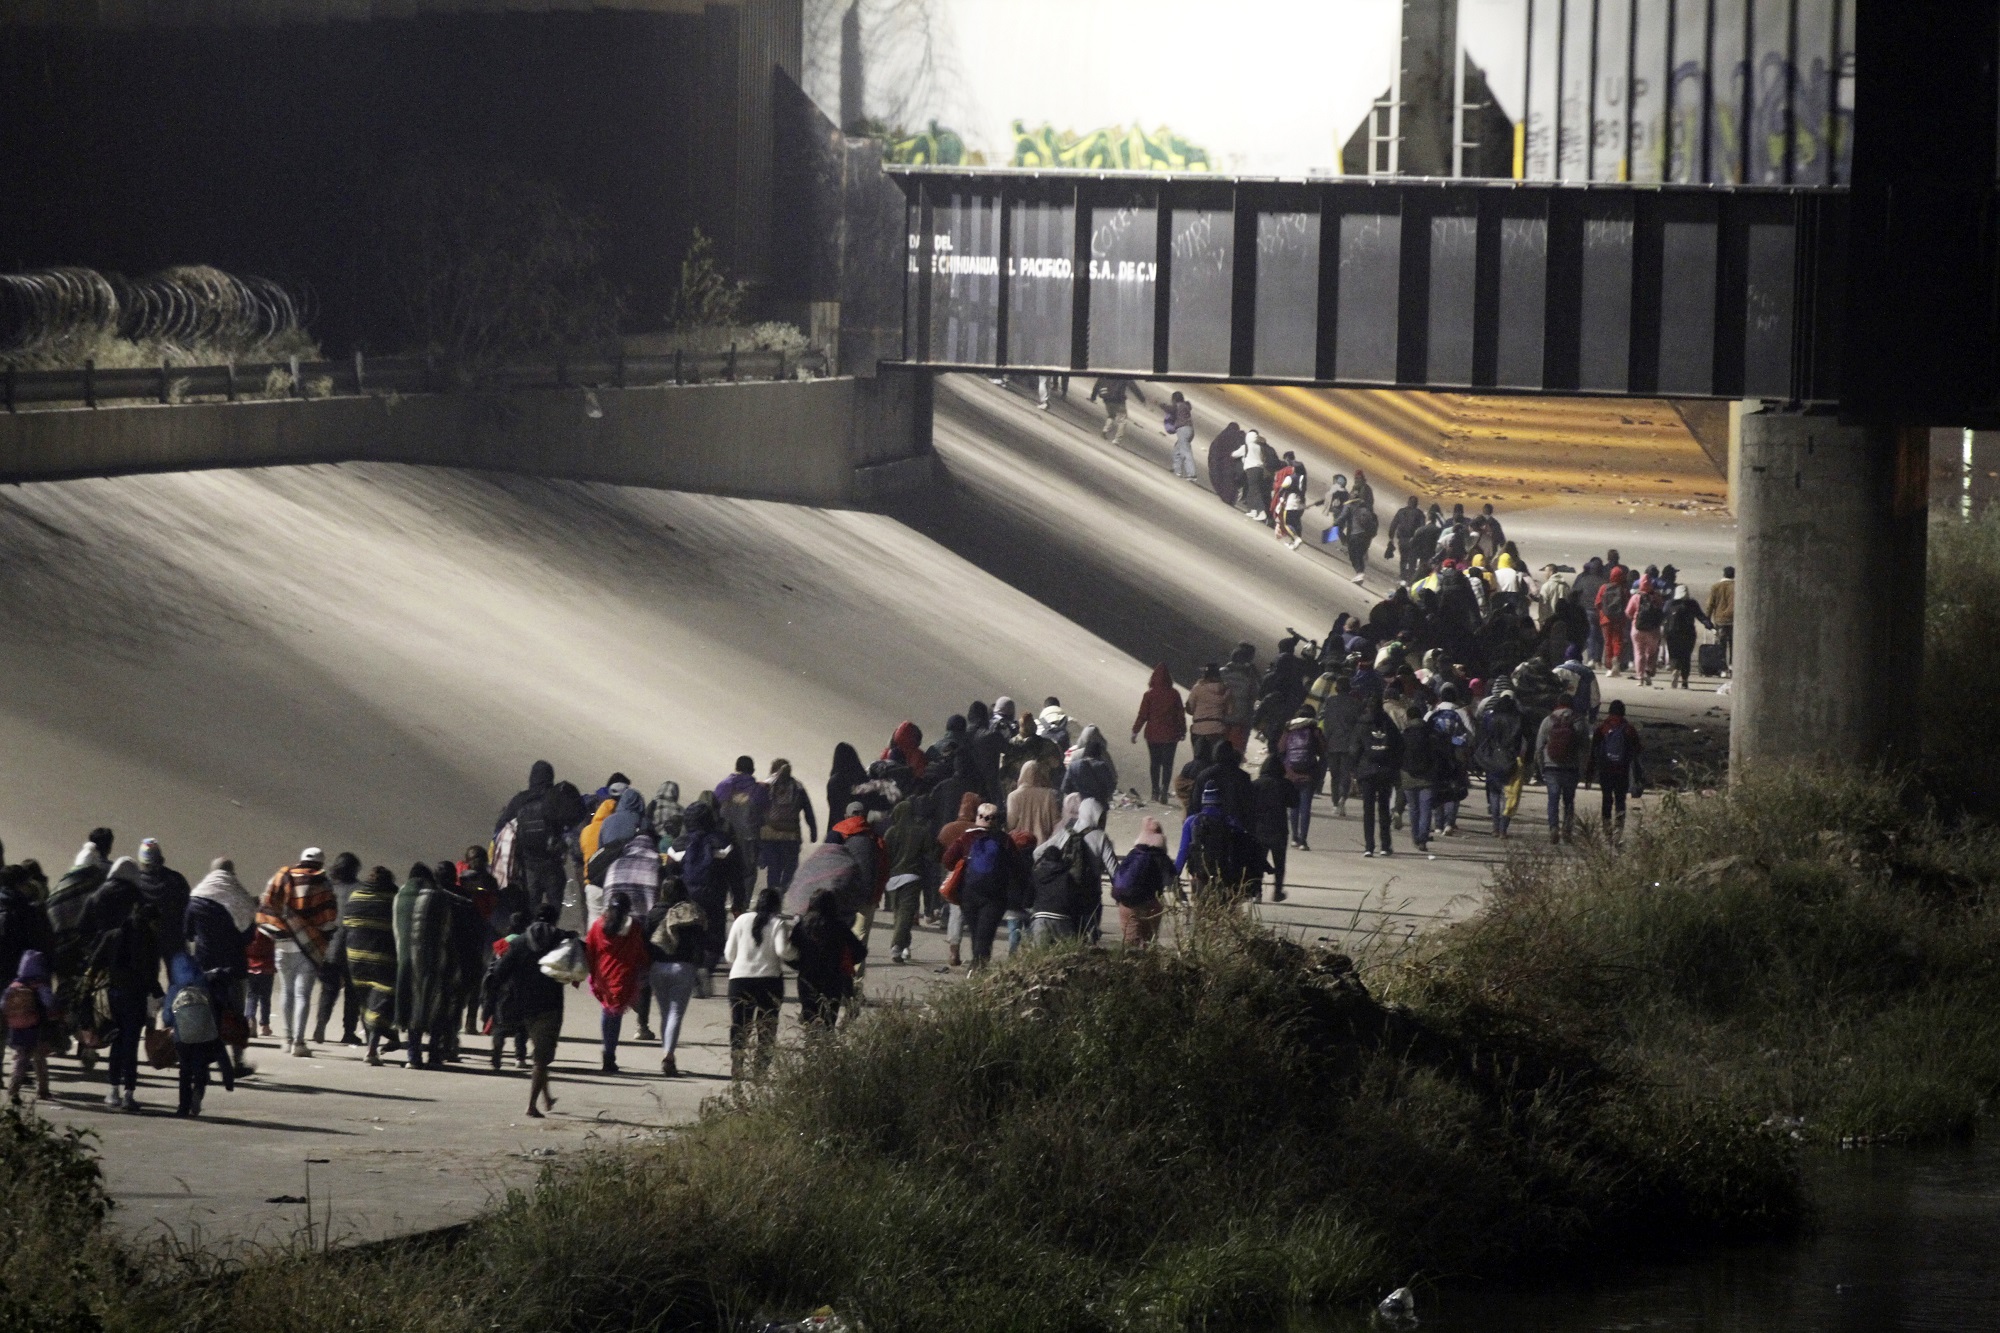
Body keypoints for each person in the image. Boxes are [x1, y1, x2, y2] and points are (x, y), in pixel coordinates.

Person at [490, 904, 576, 1116]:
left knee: (540, 1050)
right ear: (554, 919)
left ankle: (547, 1098)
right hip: (550, 1005)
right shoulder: (563, 940)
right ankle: (531, 1106)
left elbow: (500, 972)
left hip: (524, 1005)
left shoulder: (519, 942)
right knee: (541, 1058)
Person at [257, 848, 336, 1059]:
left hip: (282, 943)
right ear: (320, 863)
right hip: (308, 947)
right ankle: (299, 1042)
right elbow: (329, 917)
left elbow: (267, 906)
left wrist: (280, 928)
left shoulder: (282, 876)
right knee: (302, 994)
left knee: (286, 991)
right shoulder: (322, 883)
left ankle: (287, 1038)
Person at [87, 882, 159, 1111]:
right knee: (130, 1046)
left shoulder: (114, 935)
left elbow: (94, 962)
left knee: (117, 1044)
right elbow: (149, 974)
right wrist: (159, 996)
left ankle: (113, 1091)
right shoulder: (147, 941)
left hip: (113, 997)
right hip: (135, 1000)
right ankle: (128, 1093)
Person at [942, 804, 1024, 970]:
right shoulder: (1005, 839)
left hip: (969, 892)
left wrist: (964, 864)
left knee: (975, 930)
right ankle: (980, 964)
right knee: (986, 933)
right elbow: (1017, 867)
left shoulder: (966, 838)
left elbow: (947, 860)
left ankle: (976, 962)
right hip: (995, 895)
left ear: (978, 817)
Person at [723, 887, 790, 1079]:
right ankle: (760, 1070)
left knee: (740, 1026)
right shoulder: (778, 923)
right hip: (769, 983)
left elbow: (729, 955)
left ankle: (737, 1065)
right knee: (767, 1028)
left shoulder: (741, 920)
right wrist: (796, 955)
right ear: (776, 905)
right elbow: (783, 951)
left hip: (739, 981)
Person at [496, 761, 577, 914]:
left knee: (531, 907)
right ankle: (549, 932)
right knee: (554, 907)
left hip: (528, 864)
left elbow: (502, 827)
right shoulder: (556, 798)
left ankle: (533, 932)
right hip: (552, 863)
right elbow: (571, 823)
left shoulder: (520, 799)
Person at [1029, 796, 1114, 943]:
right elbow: (1113, 870)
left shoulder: (1065, 833)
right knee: (1088, 940)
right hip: (1091, 897)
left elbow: (1037, 852)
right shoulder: (1101, 837)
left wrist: (1050, 871)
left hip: (1068, 894)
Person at [584, 890, 650, 1074]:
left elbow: (590, 951)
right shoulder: (634, 928)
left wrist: (592, 973)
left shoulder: (598, 926)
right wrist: (646, 965)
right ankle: (609, 1053)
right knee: (615, 1016)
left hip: (603, 978)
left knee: (607, 1011)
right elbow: (640, 952)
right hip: (624, 978)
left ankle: (608, 1052)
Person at [668, 802, 736, 977]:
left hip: (686, 900)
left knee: (690, 935)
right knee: (715, 937)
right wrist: (738, 900)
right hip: (714, 897)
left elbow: (670, 875)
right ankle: (707, 968)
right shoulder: (723, 843)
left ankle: (693, 968)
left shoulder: (677, 845)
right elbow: (736, 875)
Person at [342, 866, 400, 1066]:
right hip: (383, 958)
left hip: (355, 957)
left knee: (365, 1002)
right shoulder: (393, 898)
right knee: (380, 1001)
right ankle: (372, 1049)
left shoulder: (356, 895)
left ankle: (371, 1045)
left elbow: (347, 923)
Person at [644, 892, 706, 1076]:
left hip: (657, 967)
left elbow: (645, 940)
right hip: (682, 967)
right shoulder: (690, 913)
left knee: (665, 1014)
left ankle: (667, 1052)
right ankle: (668, 1056)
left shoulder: (653, 914)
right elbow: (700, 941)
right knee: (675, 1014)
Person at [165, 950, 232, 1117]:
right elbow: (218, 1006)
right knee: (200, 1068)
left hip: (182, 1037)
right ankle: (198, 1093)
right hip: (204, 1033)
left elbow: (167, 1016)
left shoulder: (175, 988)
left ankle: (182, 1107)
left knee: (185, 1072)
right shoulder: (204, 983)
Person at [1173, 784, 1265, 903]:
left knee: (1201, 915)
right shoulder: (1230, 822)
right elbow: (1243, 849)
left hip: (1200, 877)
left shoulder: (1192, 821)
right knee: (1224, 914)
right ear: (1220, 801)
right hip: (1225, 878)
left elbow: (1183, 852)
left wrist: (1175, 877)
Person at [791, 888, 866, 1031]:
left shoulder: (801, 927)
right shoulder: (839, 926)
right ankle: (825, 1050)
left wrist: (800, 965)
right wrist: (845, 962)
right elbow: (860, 951)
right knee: (828, 1023)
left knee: (810, 1022)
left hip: (807, 979)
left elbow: (790, 952)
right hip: (833, 980)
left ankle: (810, 1049)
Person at [313, 852, 363, 1046]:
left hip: (329, 948)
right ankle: (349, 1031)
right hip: (354, 947)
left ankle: (321, 1025)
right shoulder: (361, 889)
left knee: (328, 991)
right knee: (353, 994)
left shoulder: (328, 888)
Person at [715, 757, 771, 915]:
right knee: (747, 873)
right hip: (749, 839)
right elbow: (767, 816)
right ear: (752, 771)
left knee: (724, 870)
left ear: (736, 768)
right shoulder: (759, 791)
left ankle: (722, 903)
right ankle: (741, 907)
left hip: (724, 837)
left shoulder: (722, 786)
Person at [1473, 688, 1528, 839]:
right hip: (1511, 760)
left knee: (1494, 794)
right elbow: (1522, 741)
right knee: (1510, 795)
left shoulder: (1490, 718)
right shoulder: (1518, 719)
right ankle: (1504, 827)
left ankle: (1495, 827)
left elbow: (1482, 738)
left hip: (1492, 760)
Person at [881, 800, 931, 964]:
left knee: (899, 914)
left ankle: (904, 946)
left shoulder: (890, 832)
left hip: (893, 879)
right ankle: (897, 946)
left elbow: (884, 856)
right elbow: (932, 852)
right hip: (912, 877)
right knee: (906, 913)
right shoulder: (921, 832)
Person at [1587, 699, 1643, 843]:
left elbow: (1593, 753)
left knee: (1606, 800)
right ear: (1623, 712)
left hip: (1605, 771)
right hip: (1622, 772)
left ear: (1610, 711)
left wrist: (1589, 774)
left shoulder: (1602, 729)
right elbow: (1638, 751)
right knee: (1620, 801)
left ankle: (1607, 832)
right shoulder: (1629, 729)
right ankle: (1618, 831)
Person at [1109, 818, 1171, 948]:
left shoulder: (1133, 853)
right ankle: (1148, 966)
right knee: (1149, 943)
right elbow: (1172, 880)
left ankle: (1130, 966)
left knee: (1131, 944)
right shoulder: (1161, 857)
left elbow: (1120, 876)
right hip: (1151, 905)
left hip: (1127, 903)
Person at [758, 759, 819, 891]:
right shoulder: (798, 787)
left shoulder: (765, 785)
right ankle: (783, 892)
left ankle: (772, 897)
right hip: (791, 836)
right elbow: (808, 810)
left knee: (773, 869)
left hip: (769, 836)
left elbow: (756, 810)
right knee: (790, 868)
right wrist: (813, 831)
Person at [5, 949, 57, 1103]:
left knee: (21, 1059)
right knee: (39, 1060)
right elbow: (49, 1002)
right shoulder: (39, 984)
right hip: (35, 1027)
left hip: (17, 1028)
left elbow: (3, 1004)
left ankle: (13, 1089)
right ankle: (43, 1090)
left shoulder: (15, 984)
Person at [1131, 664, 1186, 804]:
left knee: (1154, 763)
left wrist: (1135, 731)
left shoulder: (1149, 695)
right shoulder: (1174, 694)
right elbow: (1180, 714)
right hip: (1170, 735)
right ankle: (1164, 790)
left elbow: (1142, 715)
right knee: (1167, 764)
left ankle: (1154, 791)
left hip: (1153, 734)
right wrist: (1183, 730)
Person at [1534, 694, 1585, 843]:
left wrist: (1540, 767)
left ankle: (1553, 828)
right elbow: (1585, 747)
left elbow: (1539, 746)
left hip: (1551, 767)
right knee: (1569, 801)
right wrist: (1582, 768)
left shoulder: (1548, 720)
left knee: (1553, 799)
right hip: (1571, 767)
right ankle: (1567, 830)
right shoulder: (1579, 721)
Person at [135, 839, 190, 966]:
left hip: (146, 939)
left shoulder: (135, 883)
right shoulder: (176, 880)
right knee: (178, 975)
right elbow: (187, 907)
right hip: (173, 937)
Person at [1398, 706, 1443, 859]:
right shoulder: (1431, 734)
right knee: (1426, 809)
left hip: (1408, 775)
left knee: (1413, 808)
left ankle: (1415, 836)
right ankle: (1423, 839)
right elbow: (1437, 755)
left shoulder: (1404, 734)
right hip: (1427, 777)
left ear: (1409, 718)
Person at [1278, 706, 1325, 852]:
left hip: (1291, 773)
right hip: (1309, 773)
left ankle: (1294, 838)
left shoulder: (1289, 729)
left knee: (1294, 807)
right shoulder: (1314, 730)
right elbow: (1323, 750)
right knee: (1305, 807)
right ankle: (1303, 841)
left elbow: (1280, 749)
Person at [1250, 755, 1294, 901]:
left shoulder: (1256, 784)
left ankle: (1257, 892)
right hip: (1279, 828)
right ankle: (1277, 891)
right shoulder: (1285, 784)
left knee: (1257, 861)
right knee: (1279, 863)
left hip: (1259, 829)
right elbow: (1295, 802)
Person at [1663, 585, 1714, 688]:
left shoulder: (1669, 604)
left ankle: (1675, 669)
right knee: (1686, 657)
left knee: (1674, 655)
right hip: (1688, 634)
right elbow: (1701, 616)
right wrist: (1710, 626)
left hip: (1672, 634)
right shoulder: (1692, 604)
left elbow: (1661, 615)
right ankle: (1685, 681)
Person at [1185, 663, 1232, 767]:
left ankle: (1197, 780)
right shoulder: (1226, 690)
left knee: (1198, 761)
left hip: (1199, 730)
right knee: (1212, 762)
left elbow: (1190, 709)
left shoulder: (1198, 688)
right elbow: (1229, 712)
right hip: (1217, 731)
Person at [1219, 645, 1259, 754]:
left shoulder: (1221, 672)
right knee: (1232, 755)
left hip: (1220, 718)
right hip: (1239, 722)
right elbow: (1254, 698)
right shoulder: (1251, 678)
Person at [1234, 428, 1274, 521]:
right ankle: (1253, 510)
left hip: (1251, 470)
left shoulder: (1246, 446)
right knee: (1253, 490)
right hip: (1260, 470)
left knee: (1253, 490)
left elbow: (1235, 454)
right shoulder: (1259, 447)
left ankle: (1260, 511)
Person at [1339, 493, 1378, 583]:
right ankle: (1360, 574)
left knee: (1353, 555)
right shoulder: (1370, 512)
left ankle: (1359, 573)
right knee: (1360, 555)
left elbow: (1342, 518)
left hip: (1355, 535)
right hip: (1367, 538)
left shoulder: (1352, 508)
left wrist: (1336, 525)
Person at [1386, 496, 1424, 582]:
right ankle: (1410, 579)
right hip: (1413, 541)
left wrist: (1391, 537)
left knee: (1403, 558)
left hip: (1402, 540)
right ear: (1417, 504)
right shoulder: (1419, 514)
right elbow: (1422, 528)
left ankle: (1403, 576)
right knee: (1412, 561)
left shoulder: (1401, 512)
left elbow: (1393, 525)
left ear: (1408, 502)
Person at [1706, 566, 1736, 672]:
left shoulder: (1716, 587)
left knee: (1721, 645)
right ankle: (1733, 665)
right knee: (1734, 644)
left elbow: (1710, 604)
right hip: (1734, 620)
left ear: (1723, 574)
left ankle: (1722, 668)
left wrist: (1707, 620)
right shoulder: (1737, 586)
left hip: (1720, 620)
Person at [1089, 375, 1133, 442]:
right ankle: (1117, 440)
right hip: (1119, 400)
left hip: (1107, 398)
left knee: (1111, 415)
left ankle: (1105, 430)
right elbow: (1132, 385)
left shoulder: (1106, 371)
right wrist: (1142, 399)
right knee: (1122, 420)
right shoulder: (1125, 374)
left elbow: (1098, 384)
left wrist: (1093, 397)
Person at [1165, 390, 1196, 478]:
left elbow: (1170, 409)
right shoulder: (1185, 406)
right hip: (1190, 430)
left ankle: (1191, 474)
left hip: (1183, 429)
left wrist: (1161, 405)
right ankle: (1177, 470)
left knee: (1185, 452)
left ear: (1175, 399)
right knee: (1177, 450)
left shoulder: (1179, 406)